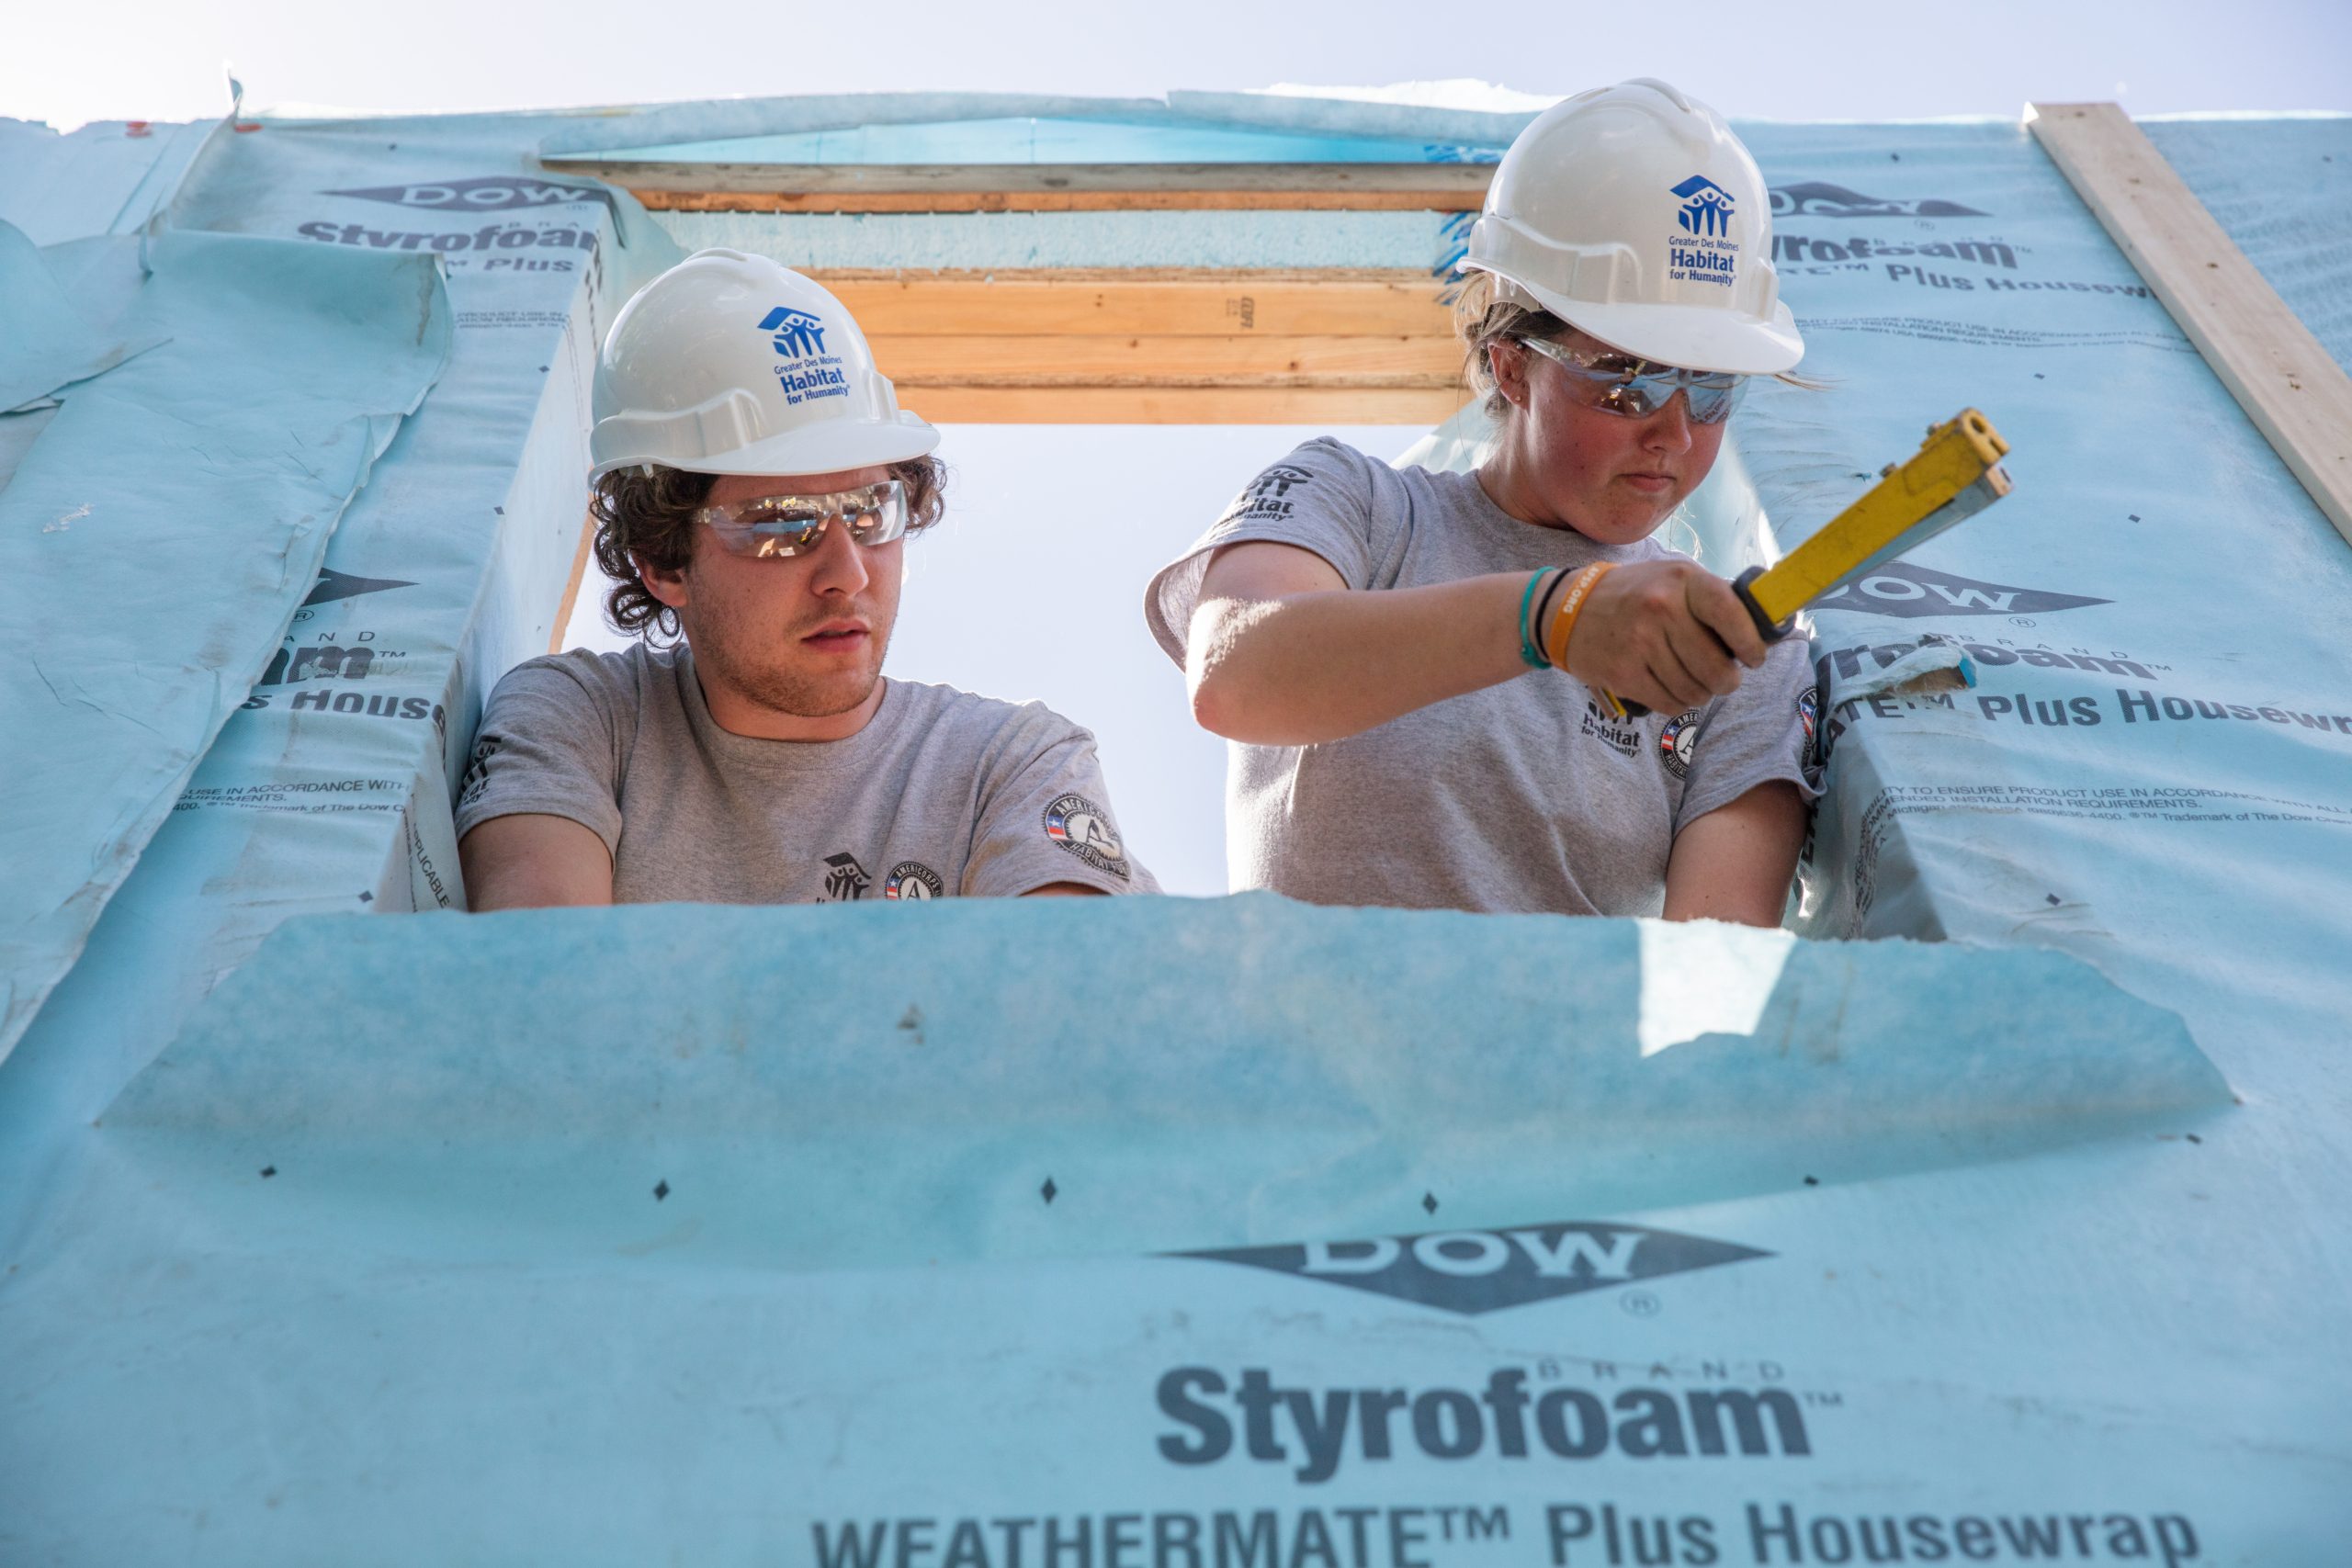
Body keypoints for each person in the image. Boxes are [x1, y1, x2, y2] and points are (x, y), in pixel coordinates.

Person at [1145, 79, 1818, 924]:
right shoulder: (1358, 506)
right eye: (1626, 382)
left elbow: (1712, 975)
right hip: (1302, 1053)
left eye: (1712, 389)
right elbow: (1236, 675)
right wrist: (1554, 620)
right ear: (1510, 364)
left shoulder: (1732, 654)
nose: (1675, 435)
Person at [458, 249, 1154, 908]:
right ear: (662, 559)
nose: (846, 574)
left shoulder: (1012, 766)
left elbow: (1066, 1012)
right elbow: (543, 990)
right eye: (781, 524)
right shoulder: (584, 721)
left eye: (868, 511)